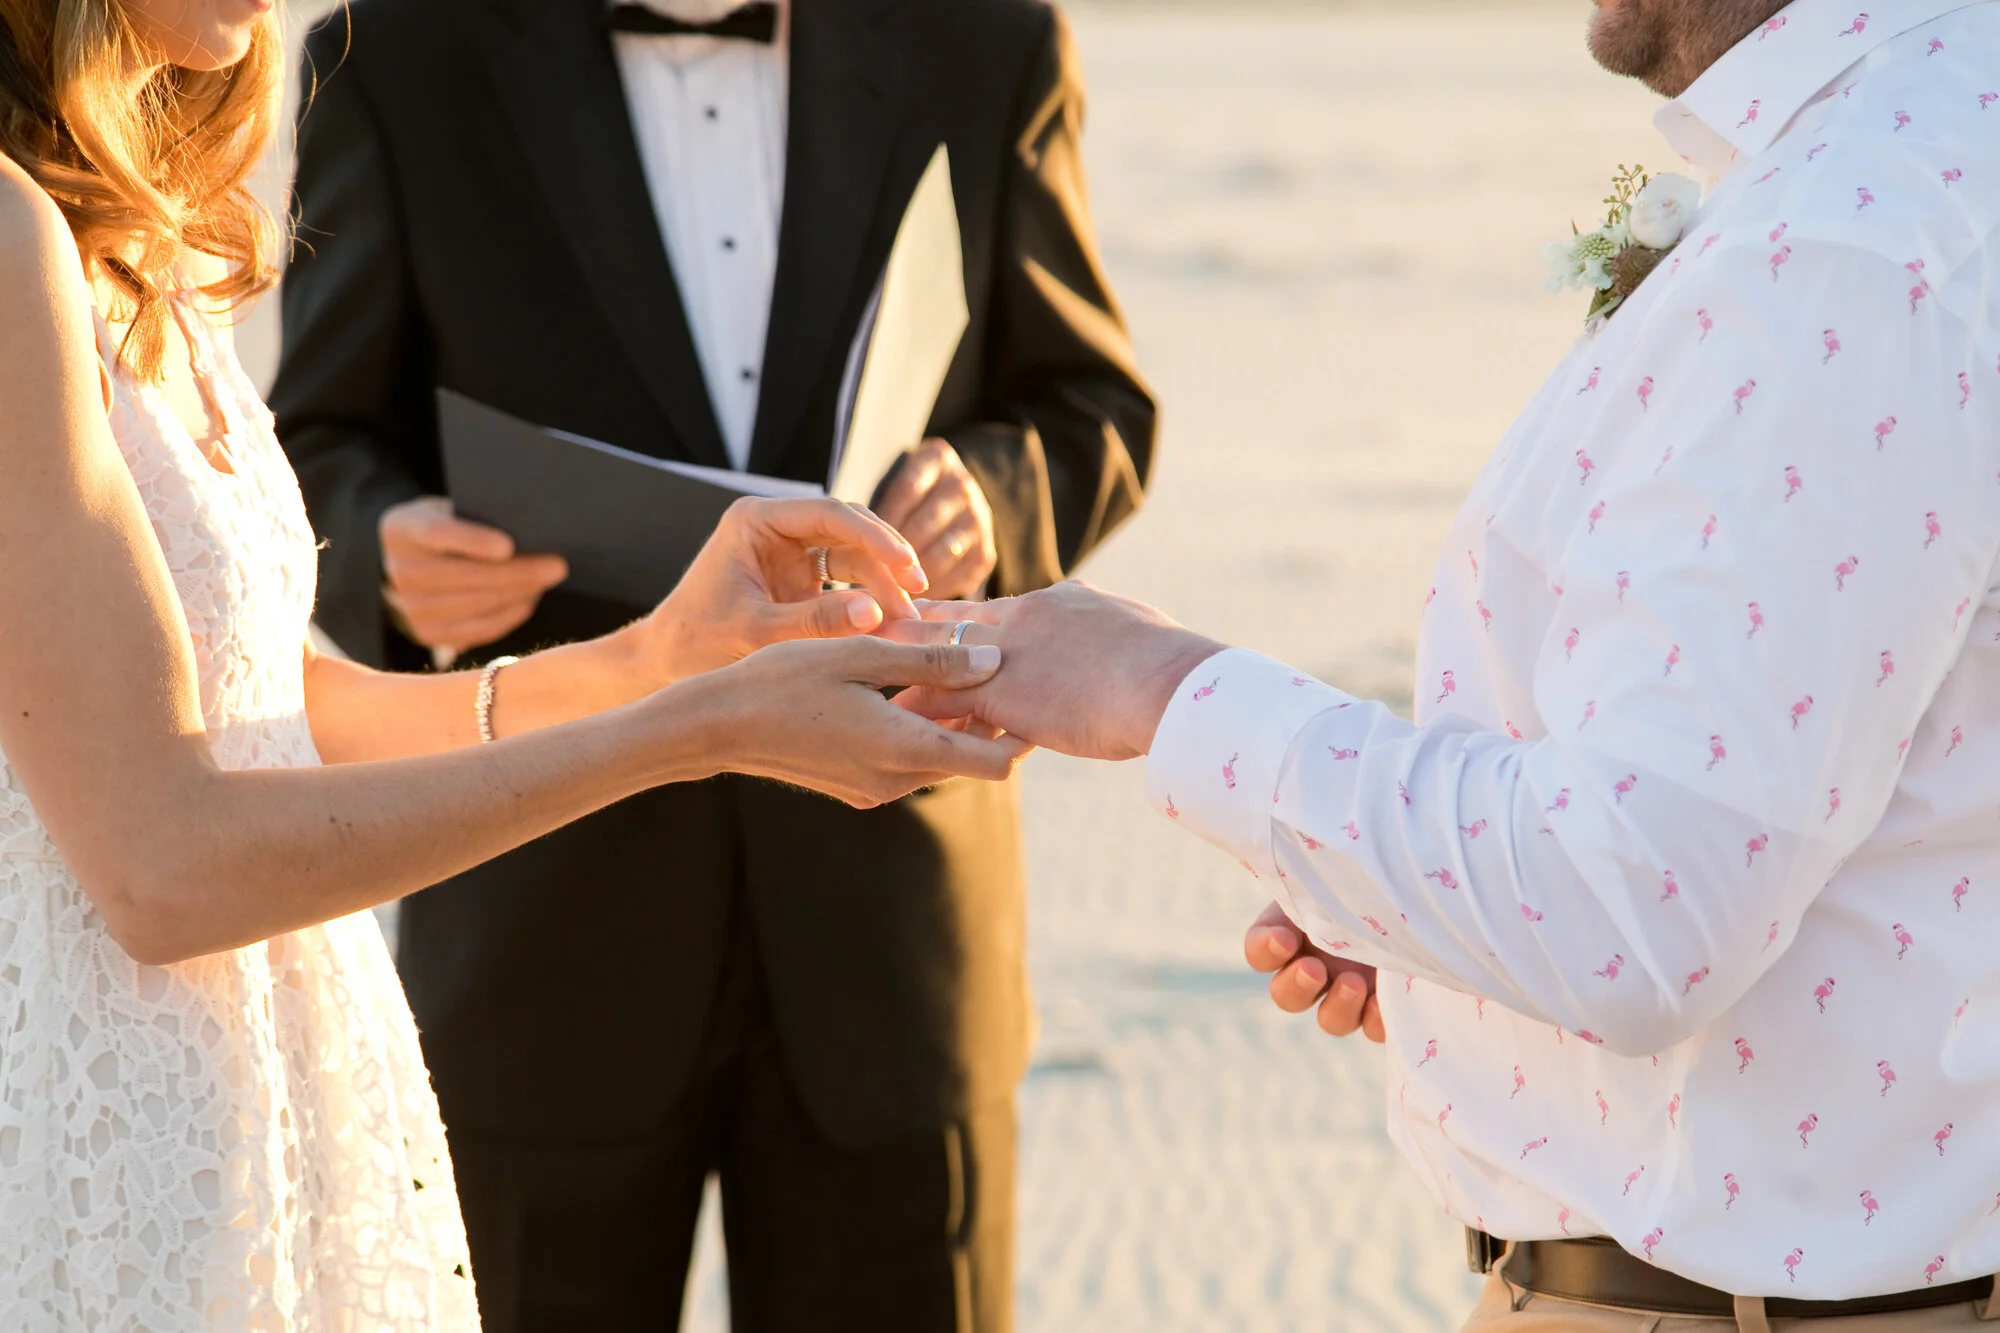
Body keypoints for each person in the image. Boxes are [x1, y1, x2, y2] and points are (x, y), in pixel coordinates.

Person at [894, 0, 2000, 1328]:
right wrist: (1420, 912)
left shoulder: (1850, 242)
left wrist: (1164, 690)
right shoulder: (1933, 151)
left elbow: (1634, 910)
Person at [0, 0, 1027, 1319]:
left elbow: (259, 707)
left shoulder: (133, 241)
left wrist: (652, 660)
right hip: (115, 1154)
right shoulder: (12, 236)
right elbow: (158, 862)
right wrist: (692, 729)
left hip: (257, 1113)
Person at [270, 0, 1152, 1325]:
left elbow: (1092, 404)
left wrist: (992, 493)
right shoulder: (393, 53)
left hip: (896, 943)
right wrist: (389, 547)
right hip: (538, 931)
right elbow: (318, 440)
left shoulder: (988, 39)